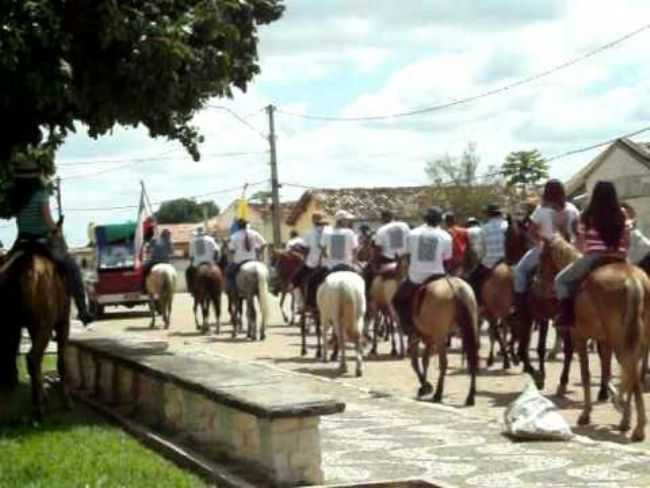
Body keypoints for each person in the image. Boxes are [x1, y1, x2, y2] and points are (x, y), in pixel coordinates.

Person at [2, 162, 93, 325]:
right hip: (43, 242)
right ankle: (83, 310)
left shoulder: (15, 197)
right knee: (72, 268)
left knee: (4, 270)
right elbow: (48, 219)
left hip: (22, 242)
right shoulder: (40, 194)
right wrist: (56, 231)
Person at [554, 181, 629, 328]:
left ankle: (567, 316)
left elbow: (582, 243)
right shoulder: (621, 213)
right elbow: (626, 239)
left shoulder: (586, 215)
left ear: (595, 195)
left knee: (560, 281)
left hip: (594, 256)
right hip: (620, 257)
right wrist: (622, 252)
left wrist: (582, 252)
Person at [513, 179, 580, 317]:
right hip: (571, 251)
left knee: (520, 271)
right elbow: (578, 232)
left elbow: (531, 231)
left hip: (548, 247)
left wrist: (539, 243)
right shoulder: (573, 209)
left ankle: (519, 308)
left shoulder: (541, 209)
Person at [392, 206, 453, 336]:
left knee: (397, 300)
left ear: (425, 219)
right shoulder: (446, 235)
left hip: (416, 277)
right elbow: (447, 260)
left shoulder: (413, 233)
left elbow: (405, 255)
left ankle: (408, 327)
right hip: (438, 276)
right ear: (439, 220)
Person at [466, 204, 508, 303]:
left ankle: (479, 305)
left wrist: (481, 258)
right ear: (500, 213)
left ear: (488, 214)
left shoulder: (484, 228)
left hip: (489, 263)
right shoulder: (507, 225)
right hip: (507, 262)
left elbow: (480, 249)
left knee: (472, 280)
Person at [291, 213, 330, 308]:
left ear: (313, 221)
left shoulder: (309, 233)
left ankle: (303, 304)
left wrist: (297, 249)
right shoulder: (331, 231)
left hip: (313, 264)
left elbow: (305, 249)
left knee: (295, 279)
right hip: (331, 264)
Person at [226, 218, 266, 291]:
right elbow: (264, 243)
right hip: (253, 259)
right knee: (265, 271)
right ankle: (269, 287)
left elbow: (232, 250)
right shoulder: (254, 233)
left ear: (238, 226)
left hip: (239, 261)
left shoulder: (234, 236)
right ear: (246, 225)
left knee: (229, 273)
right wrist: (259, 253)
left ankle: (234, 291)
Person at [187, 226, 221, 294]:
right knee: (220, 271)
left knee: (188, 272)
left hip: (197, 263)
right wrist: (215, 260)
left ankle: (191, 288)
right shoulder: (210, 239)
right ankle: (220, 287)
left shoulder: (192, 241)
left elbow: (191, 255)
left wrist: (191, 263)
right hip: (210, 262)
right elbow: (216, 250)